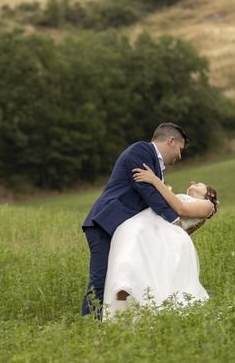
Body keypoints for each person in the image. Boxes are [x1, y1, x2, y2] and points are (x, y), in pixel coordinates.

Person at [81, 123, 188, 317]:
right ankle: (87, 326)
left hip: (122, 232)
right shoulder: (141, 150)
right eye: (180, 149)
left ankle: (109, 323)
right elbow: (146, 191)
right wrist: (173, 220)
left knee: (120, 280)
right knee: (100, 280)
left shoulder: (156, 167)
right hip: (105, 224)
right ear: (171, 141)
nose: (180, 156)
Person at [102, 168, 219, 319]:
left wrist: (154, 180)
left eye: (199, 184)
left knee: (139, 246)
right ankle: (125, 284)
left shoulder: (207, 205)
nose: (193, 183)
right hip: (155, 224)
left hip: (164, 231)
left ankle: (131, 287)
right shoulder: (182, 197)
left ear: (209, 194)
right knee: (131, 241)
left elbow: (181, 209)